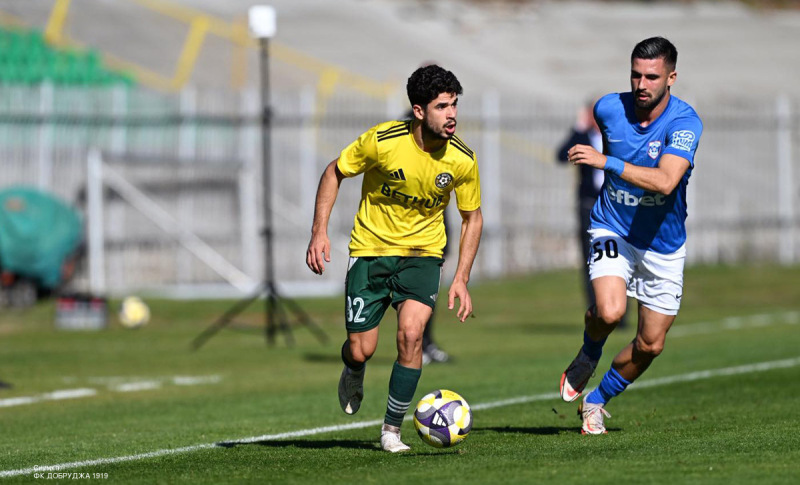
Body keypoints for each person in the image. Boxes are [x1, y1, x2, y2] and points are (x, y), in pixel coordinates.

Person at [306, 64, 483, 452]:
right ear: (419, 111)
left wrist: (461, 277)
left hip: (423, 255)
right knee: (361, 349)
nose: (451, 114)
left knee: (411, 335)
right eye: (441, 107)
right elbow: (334, 172)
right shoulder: (382, 141)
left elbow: (472, 218)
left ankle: (391, 430)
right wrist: (319, 231)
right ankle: (353, 368)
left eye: (454, 105)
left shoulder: (462, 159)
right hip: (371, 251)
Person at [558, 36, 703, 435]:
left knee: (651, 344)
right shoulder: (608, 108)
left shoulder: (685, 123)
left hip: (663, 244)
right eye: (636, 75)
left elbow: (666, 181)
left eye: (652, 77)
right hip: (613, 227)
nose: (641, 84)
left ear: (671, 77)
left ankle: (596, 400)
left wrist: (607, 162)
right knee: (609, 312)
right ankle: (588, 353)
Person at [557, 101, 629, 329]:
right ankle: (596, 311)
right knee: (591, 259)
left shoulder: (616, 137)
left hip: (615, 206)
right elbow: (560, 156)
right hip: (589, 205)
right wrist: (578, 128)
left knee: (621, 257)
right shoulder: (583, 138)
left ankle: (620, 314)